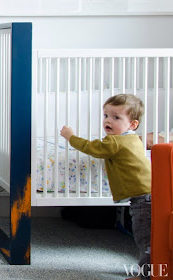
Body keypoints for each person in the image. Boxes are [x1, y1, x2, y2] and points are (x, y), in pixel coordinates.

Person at [60, 94, 151, 280]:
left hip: (143, 198)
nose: (108, 121)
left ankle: (147, 276)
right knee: (151, 236)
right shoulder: (133, 139)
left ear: (132, 124)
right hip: (149, 194)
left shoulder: (115, 141)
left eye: (116, 117)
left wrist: (71, 137)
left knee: (145, 238)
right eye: (106, 116)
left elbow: (93, 148)